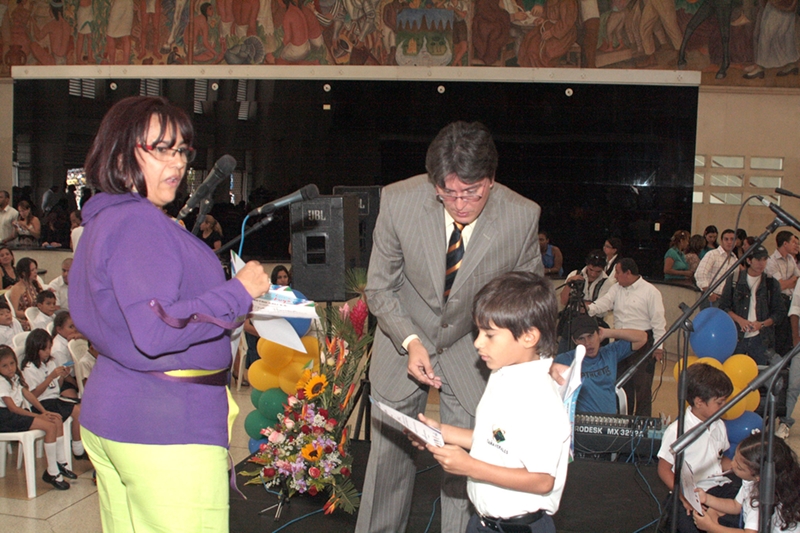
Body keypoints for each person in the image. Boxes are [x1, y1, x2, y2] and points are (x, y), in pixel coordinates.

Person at [69, 96, 271, 531]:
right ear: (121, 154)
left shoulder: (105, 218)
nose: (177, 161)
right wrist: (237, 292)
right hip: (165, 425)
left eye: (181, 150)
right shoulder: (139, 223)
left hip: (118, 410)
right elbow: (156, 331)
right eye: (161, 149)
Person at [356, 121, 542, 533]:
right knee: (386, 467)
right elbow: (380, 287)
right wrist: (410, 341)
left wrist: (538, 366)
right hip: (403, 338)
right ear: (434, 182)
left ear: (491, 180)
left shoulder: (521, 216)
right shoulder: (399, 201)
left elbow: (530, 301)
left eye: (472, 192)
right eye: (448, 192)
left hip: (473, 352)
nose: (459, 203)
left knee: (465, 472)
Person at [408, 272, 570, 533]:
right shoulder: (501, 375)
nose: (477, 342)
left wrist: (472, 467)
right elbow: (496, 440)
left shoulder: (540, 399)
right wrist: (439, 431)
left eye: (490, 335)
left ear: (529, 337)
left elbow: (542, 481)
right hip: (483, 522)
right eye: (478, 331)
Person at [657, 363, 740, 533]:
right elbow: (664, 469)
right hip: (690, 491)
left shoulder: (719, 425)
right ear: (699, 402)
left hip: (719, 486)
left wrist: (737, 467)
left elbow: (720, 458)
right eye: (719, 402)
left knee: (745, 510)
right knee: (689, 525)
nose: (724, 406)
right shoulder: (677, 430)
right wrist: (683, 497)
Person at [587, 258, 666, 416]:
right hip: (620, 341)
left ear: (628, 273)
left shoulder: (650, 292)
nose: (615, 276)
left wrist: (658, 347)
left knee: (642, 386)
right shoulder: (616, 288)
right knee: (621, 383)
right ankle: (624, 418)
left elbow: (658, 321)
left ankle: (642, 421)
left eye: (617, 272)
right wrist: (589, 309)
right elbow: (605, 302)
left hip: (643, 342)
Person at [693, 432, 800, 533]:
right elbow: (736, 505)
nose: (732, 465)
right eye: (734, 458)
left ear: (758, 476)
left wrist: (711, 527)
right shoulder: (753, 481)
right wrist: (707, 498)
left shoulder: (759, 499)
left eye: (739, 467)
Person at [0, 345, 72, 490]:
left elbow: (28, 395)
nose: (10, 368)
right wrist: (38, 415)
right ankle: (53, 472)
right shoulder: (1, 381)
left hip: (16, 414)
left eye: (12, 363)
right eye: (4, 366)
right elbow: (13, 408)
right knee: (49, 425)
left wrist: (44, 411)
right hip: (5, 417)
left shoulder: (14, 377)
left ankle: (60, 462)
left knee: (55, 419)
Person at [551, 315, 647, 414]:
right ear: (575, 341)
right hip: (580, 421)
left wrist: (608, 333)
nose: (587, 343)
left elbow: (642, 338)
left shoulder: (609, 352)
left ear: (598, 334)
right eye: (581, 338)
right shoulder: (566, 360)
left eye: (590, 336)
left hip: (609, 420)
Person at [20, 329, 85, 465]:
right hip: (41, 403)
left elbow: (55, 388)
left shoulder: (50, 362)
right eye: (45, 349)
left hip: (54, 398)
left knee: (84, 405)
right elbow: (33, 395)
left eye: (50, 348)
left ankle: (80, 443)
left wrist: (61, 377)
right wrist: (50, 377)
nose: (48, 352)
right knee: (77, 410)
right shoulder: (29, 368)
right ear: (36, 349)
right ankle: (78, 449)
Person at [717, 245, 785, 366]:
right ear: (749, 260)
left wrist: (762, 324)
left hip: (762, 339)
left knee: (760, 371)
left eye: (764, 259)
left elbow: (779, 312)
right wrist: (740, 320)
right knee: (733, 369)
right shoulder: (735, 279)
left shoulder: (771, 283)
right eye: (758, 259)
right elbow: (723, 306)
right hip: (737, 337)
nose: (762, 263)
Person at [557, 249, 609, 353]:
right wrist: (569, 283)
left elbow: (602, 308)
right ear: (587, 265)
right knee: (564, 353)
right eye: (591, 270)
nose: (593, 274)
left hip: (594, 323)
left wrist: (582, 305)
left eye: (598, 272)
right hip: (572, 321)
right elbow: (564, 301)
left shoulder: (607, 282)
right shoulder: (574, 274)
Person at [766, 230, 800, 355]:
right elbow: (779, 286)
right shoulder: (771, 261)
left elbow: (798, 279)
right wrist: (792, 280)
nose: (797, 246)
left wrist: (791, 281)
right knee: (781, 335)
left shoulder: (791, 259)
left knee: (790, 335)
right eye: (794, 242)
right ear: (785, 244)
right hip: (779, 301)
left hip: (790, 299)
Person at [695, 228, 737, 307]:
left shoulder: (735, 260)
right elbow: (699, 274)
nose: (729, 242)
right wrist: (709, 293)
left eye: (732, 239)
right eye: (726, 239)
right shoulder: (712, 254)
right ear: (721, 241)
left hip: (726, 300)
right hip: (710, 297)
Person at [8, 257, 43, 330]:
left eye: (35, 269)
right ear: (24, 273)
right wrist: (31, 313)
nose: (35, 272)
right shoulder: (17, 288)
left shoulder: (35, 283)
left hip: (39, 317)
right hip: (26, 320)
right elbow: (15, 312)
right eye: (32, 270)